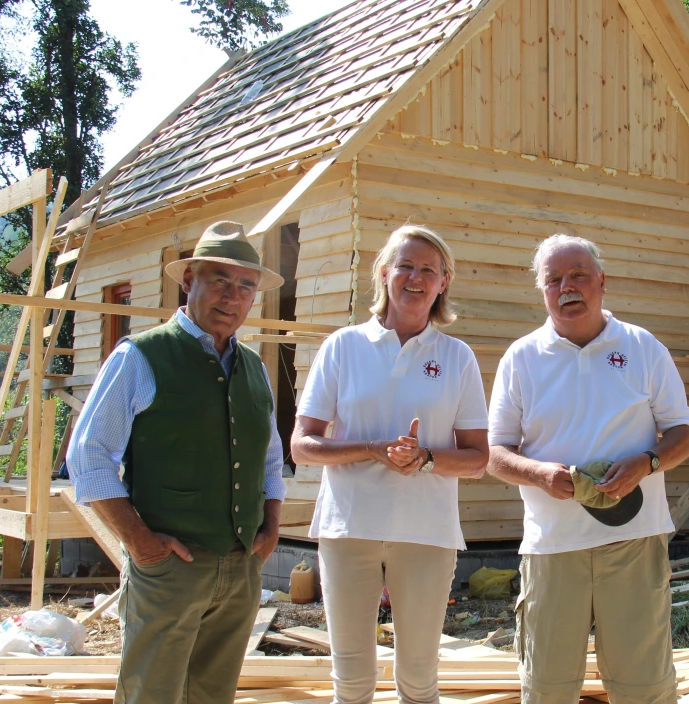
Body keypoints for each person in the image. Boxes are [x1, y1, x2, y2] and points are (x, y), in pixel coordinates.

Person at [67, 221, 286, 704]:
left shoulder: (254, 367)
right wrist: (139, 542)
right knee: (152, 693)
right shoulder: (141, 356)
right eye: (219, 280)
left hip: (242, 565)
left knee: (213, 693)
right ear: (189, 280)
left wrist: (271, 528)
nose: (232, 297)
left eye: (245, 286)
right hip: (169, 567)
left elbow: (270, 459)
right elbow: (88, 455)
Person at [487, 234, 689, 704]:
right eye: (554, 280)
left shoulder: (642, 347)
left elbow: (685, 435)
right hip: (552, 546)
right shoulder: (521, 358)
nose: (567, 287)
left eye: (579, 275)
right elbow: (495, 453)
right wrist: (539, 474)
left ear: (602, 281)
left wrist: (646, 462)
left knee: (644, 689)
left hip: (634, 541)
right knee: (547, 691)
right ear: (542, 291)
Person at [290, 225, 489, 704]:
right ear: (384, 272)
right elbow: (302, 446)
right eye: (405, 266)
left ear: (444, 282)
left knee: (419, 682)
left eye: (428, 270)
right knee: (351, 683)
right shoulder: (343, 346)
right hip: (349, 528)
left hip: (426, 533)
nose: (415, 278)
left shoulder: (457, 357)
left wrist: (425, 459)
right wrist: (373, 448)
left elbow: (478, 458)